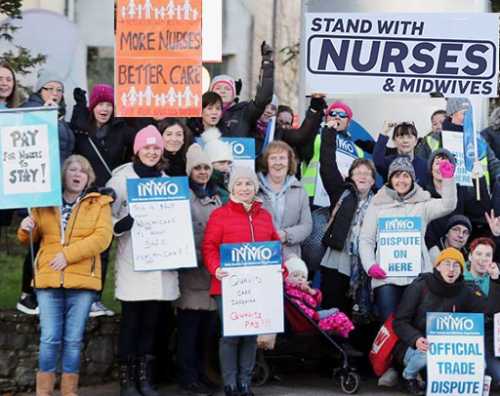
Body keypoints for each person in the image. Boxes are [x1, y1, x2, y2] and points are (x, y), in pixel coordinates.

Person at [17, 155, 113, 396]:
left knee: (72, 340)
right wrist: (25, 228)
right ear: (64, 175)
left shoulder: (100, 203)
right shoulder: (43, 202)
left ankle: (69, 392)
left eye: (83, 170)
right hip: (49, 279)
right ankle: (44, 392)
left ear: (89, 176)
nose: (78, 173)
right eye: (72, 169)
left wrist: (68, 255)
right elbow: (28, 241)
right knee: (49, 338)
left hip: (82, 282)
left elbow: (102, 239)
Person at [106, 126, 179, 396]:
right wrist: (119, 224)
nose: (151, 151)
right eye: (147, 147)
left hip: (160, 260)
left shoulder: (167, 180)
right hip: (133, 261)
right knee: (131, 322)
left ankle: (145, 379)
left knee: (152, 322)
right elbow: (105, 217)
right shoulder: (121, 180)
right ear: (137, 149)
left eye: (156, 148)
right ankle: (127, 380)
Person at [202, 166, 280, 396]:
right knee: (231, 335)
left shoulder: (264, 216)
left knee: (250, 335)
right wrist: (215, 268)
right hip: (227, 286)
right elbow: (209, 247)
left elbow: (274, 247)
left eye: (248, 184)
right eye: (239, 184)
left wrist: (280, 270)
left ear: (254, 187)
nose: (244, 188)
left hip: (258, 287)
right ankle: (230, 384)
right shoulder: (219, 215)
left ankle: (245, 383)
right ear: (232, 187)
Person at [360, 156, 457, 323]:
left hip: (417, 278)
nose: (401, 180)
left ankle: (413, 351)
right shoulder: (377, 205)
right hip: (386, 278)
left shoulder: (423, 204)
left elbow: (448, 204)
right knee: (389, 325)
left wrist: (448, 180)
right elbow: (366, 240)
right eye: (397, 175)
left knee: (415, 323)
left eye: (406, 176)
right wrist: (370, 266)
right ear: (390, 179)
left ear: (412, 179)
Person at [393, 248, 500, 395]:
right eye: (447, 263)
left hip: (447, 350)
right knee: (426, 354)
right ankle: (408, 376)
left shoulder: (465, 290)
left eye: (456, 265)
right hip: (416, 347)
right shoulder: (420, 286)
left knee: (481, 363)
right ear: (437, 266)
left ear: (462, 270)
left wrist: (495, 280)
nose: (451, 269)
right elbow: (399, 322)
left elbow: (490, 307)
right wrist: (416, 339)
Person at [16, 70, 77, 315]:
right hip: (36, 186)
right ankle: (27, 293)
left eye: (59, 90)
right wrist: (45, 115)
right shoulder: (29, 111)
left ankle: (45, 289)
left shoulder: (58, 114)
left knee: (50, 239)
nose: (55, 94)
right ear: (39, 91)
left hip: (55, 186)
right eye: (49, 89)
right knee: (37, 238)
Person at [72, 83, 136, 317]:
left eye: (108, 104)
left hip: (108, 196)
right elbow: (71, 135)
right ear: (93, 106)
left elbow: (141, 137)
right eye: (100, 103)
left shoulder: (121, 129)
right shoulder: (82, 130)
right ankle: (78, 296)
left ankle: (95, 298)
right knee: (82, 246)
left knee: (103, 248)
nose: (104, 109)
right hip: (84, 196)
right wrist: (79, 108)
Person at [318, 119, 376, 322]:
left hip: (364, 263)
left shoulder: (380, 202)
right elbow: (327, 164)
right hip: (336, 260)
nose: (362, 176)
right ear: (350, 176)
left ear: (373, 180)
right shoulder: (341, 193)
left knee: (358, 312)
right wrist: (329, 133)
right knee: (332, 309)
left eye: (367, 173)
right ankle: (332, 349)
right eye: (357, 172)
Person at [175, 144, 221, 396]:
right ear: (189, 171)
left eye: (206, 167)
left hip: (212, 273)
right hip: (192, 270)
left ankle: (202, 373)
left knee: (207, 329)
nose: (202, 172)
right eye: (198, 168)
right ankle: (187, 375)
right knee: (189, 329)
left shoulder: (216, 195)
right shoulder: (183, 195)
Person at [423, 149, 491, 248]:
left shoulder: (460, 192)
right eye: (437, 163)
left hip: (454, 249)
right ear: (431, 168)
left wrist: (479, 181)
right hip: (429, 249)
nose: (441, 168)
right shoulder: (423, 193)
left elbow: (482, 210)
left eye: (445, 164)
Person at [301, 101, 366, 203]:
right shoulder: (315, 137)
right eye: (332, 113)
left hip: (339, 199)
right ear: (326, 118)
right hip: (311, 197)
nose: (337, 117)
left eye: (342, 115)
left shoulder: (358, 151)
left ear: (348, 122)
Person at [257, 141, 312, 258]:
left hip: (290, 257)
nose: (278, 163)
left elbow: (307, 225)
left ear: (289, 162)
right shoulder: (254, 188)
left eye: (282, 158)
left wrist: (286, 235)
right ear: (266, 162)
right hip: (259, 255)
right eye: (273, 158)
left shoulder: (300, 191)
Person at [209, 41, 274, 138]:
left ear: (234, 94)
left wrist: (267, 64)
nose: (222, 91)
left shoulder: (245, 112)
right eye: (218, 88)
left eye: (227, 89)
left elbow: (263, 98)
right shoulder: (203, 114)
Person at [284, 255, 354, 337]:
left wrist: (310, 291)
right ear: (287, 278)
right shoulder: (292, 293)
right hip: (309, 322)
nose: (300, 279)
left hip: (310, 320)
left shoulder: (301, 291)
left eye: (303, 277)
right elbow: (307, 312)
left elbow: (315, 302)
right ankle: (342, 341)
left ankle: (341, 339)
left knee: (339, 317)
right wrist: (327, 313)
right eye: (295, 275)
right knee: (340, 317)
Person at [0, 63, 21, 237]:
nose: (5, 83)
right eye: (0, 79)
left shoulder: (16, 114)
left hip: (5, 188)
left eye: (8, 79)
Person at [373, 121, 428, 186]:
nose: (405, 141)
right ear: (394, 141)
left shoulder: (425, 165)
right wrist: (384, 133)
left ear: (416, 141)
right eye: (401, 137)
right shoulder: (389, 162)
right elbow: (377, 160)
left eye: (409, 137)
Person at [200, 127, 234, 203]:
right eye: (221, 163)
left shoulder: (230, 183)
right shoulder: (206, 188)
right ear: (208, 163)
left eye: (229, 163)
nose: (226, 167)